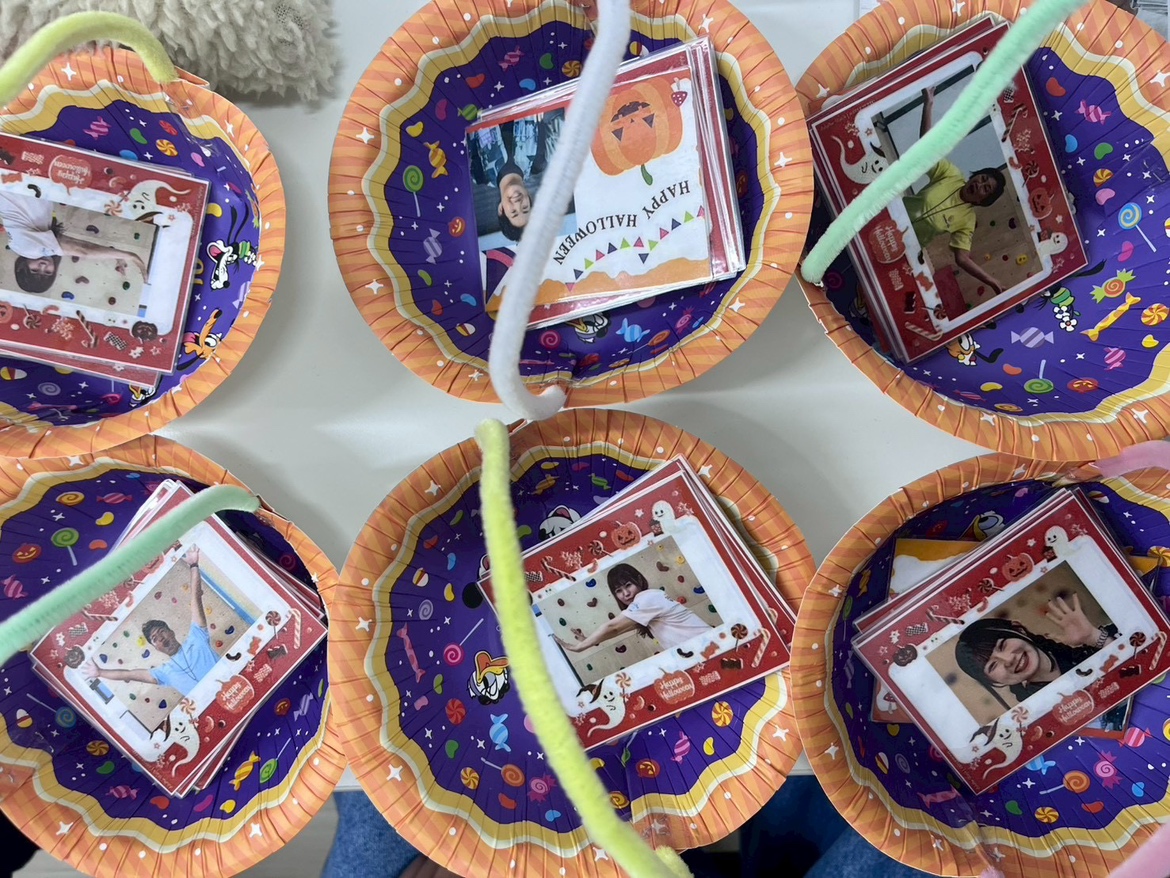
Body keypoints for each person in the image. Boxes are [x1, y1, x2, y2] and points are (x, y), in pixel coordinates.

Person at [902, 86, 1007, 296]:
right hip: (891, 216)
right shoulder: (951, 174)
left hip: (906, 247)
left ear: (983, 200)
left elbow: (962, 258)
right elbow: (927, 148)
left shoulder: (967, 221)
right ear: (976, 175)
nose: (980, 185)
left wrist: (991, 281)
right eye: (982, 178)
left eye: (986, 188)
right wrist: (928, 105)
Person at [83, 548, 220, 697]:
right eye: (154, 639)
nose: (160, 638)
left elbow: (195, 598)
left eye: (161, 632)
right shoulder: (163, 672)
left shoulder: (196, 637)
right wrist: (100, 672)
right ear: (156, 647)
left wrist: (194, 565)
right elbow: (128, 674)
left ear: (171, 632)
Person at [955, 595, 1118, 709]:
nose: (1008, 660)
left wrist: (1093, 637)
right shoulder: (1035, 712)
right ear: (991, 681)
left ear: (1019, 629)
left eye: (1002, 645)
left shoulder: (1083, 649)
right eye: (992, 665)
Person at [0, 190, 149, 294]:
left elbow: (83, 249)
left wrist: (131, 256)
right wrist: (118, 255)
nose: (43, 266)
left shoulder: (30, 250)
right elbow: (79, 247)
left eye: (35, 270)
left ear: (22, 267)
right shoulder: (21, 246)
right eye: (48, 272)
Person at [554, 563, 714, 654]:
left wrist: (579, 647)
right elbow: (617, 631)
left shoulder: (646, 598)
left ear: (639, 580)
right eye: (618, 591)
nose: (625, 594)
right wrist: (588, 640)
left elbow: (612, 627)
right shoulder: (648, 604)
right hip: (704, 645)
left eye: (628, 585)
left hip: (707, 645)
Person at [469, 111, 565, 241]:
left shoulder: (478, 173)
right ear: (530, 199)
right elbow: (563, 117)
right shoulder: (540, 160)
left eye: (513, 212)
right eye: (525, 208)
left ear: (501, 209)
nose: (518, 204)